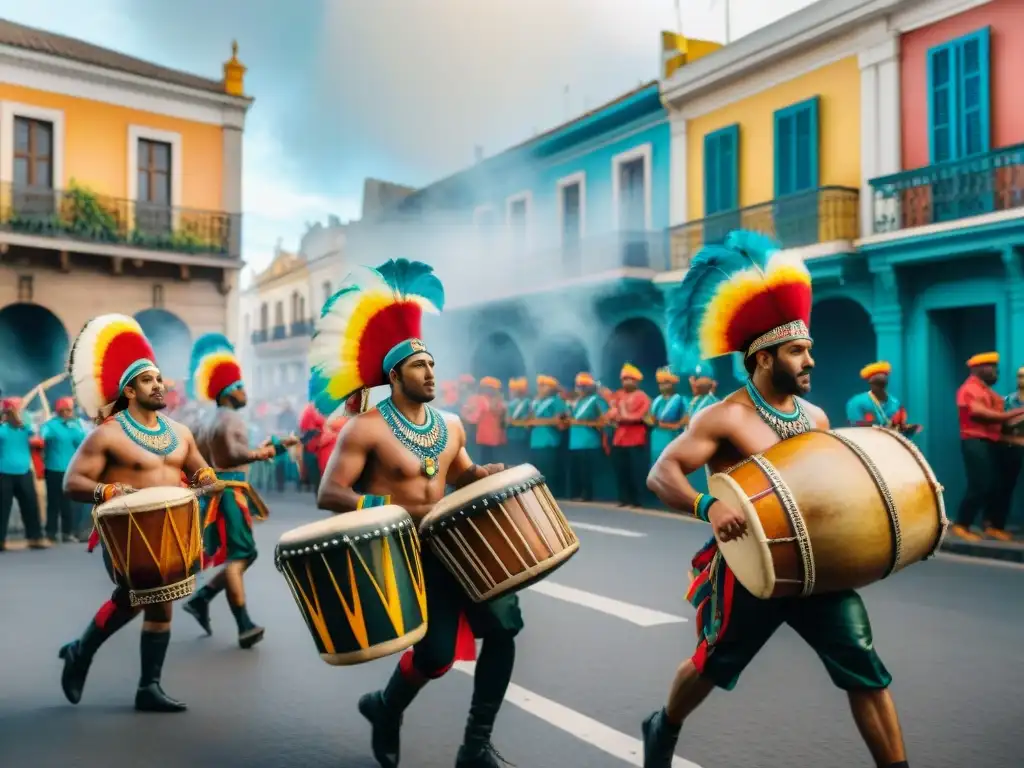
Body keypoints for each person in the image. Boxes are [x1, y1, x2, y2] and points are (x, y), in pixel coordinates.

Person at [642, 231, 910, 768]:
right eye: (797, 351)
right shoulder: (724, 417)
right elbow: (661, 472)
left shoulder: (816, 418)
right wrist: (709, 507)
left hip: (817, 570)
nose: (810, 360)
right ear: (763, 358)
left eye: (809, 350)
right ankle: (663, 726)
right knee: (712, 665)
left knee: (865, 668)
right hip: (751, 570)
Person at [311, 259, 518, 768]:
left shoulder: (452, 424)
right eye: (418, 365)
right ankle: (385, 708)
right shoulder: (365, 428)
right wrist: (385, 509)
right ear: (394, 375)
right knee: (435, 656)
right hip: (405, 551)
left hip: (459, 543)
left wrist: (484, 474)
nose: (430, 373)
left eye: (431, 364)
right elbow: (330, 492)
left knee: (504, 629)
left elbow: (461, 473)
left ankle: (475, 746)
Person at [58, 313, 216, 712]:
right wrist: (108, 490)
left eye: (159, 379)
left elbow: (201, 470)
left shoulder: (180, 433)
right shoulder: (107, 434)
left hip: (174, 532)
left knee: (158, 602)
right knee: (134, 597)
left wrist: (207, 480)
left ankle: (147, 686)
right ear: (129, 390)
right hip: (129, 534)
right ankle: (83, 652)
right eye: (148, 380)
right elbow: (72, 482)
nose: (158, 385)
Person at [181, 333, 298, 647]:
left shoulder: (207, 420)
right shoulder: (231, 418)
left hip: (217, 493)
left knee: (244, 554)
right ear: (228, 391)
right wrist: (266, 452)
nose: (245, 392)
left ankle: (202, 599)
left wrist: (274, 446)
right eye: (240, 386)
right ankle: (244, 625)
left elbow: (219, 454)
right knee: (240, 556)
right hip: (230, 494)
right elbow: (234, 454)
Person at [951, 353, 1024, 541]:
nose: (996, 372)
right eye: (992, 367)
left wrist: (1017, 426)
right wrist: (1019, 411)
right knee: (980, 484)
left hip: (993, 442)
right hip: (975, 441)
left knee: (998, 485)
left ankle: (992, 525)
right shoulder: (969, 389)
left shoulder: (992, 394)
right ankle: (961, 524)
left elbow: (1002, 423)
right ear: (979, 369)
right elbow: (980, 414)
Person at [0, 396, 48, 551]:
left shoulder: (26, 429)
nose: (18, 414)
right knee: (2, 509)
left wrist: (19, 419)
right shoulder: (2, 430)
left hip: (24, 472)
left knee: (30, 506)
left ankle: (35, 537)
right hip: (3, 474)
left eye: (19, 410)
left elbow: (36, 437)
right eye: (14, 411)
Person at [41, 396, 87, 543]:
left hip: (70, 469)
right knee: (53, 502)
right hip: (54, 469)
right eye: (65, 410)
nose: (68, 412)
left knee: (68, 503)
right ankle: (51, 532)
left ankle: (67, 532)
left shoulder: (76, 424)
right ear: (59, 411)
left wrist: (76, 427)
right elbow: (42, 437)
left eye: (70, 409)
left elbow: (83, 441)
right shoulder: (51, 425)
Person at [609, 363, 651, 507]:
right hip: (619, 439)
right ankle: (623, 499)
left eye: (630, 379)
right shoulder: (619, 396)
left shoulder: (642, 397)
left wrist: (621, 417)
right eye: (624, 379)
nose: (627, 382)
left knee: (636, 471)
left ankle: (637, 500)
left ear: (636, 381)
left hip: (636, 438)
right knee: (621, 470)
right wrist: (614, 417)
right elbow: (611, 414)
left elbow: (640, 416)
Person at [846, 362, 921, 435]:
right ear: (870, 383)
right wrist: (879, 427)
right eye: (876, 384)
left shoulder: (894, 402)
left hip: (890, 441)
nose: (879, 388)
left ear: (886, 383)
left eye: (881, 385)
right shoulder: (856, 402)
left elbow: (899, 427)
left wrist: (906, 428)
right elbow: (854, 426)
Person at [568, 372, 608, 502]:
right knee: (577, 469)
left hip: (589, 441)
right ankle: (577, 493)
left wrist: (590, 423)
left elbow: (605, 418)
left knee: (587, 471)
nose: (580, 389)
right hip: (574, 442)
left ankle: (587, 495)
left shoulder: (596, 399)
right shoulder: (577, 401)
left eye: (583, 386)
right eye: (578, 386)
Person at [528, 374, 568, 495]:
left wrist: (550, 421)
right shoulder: (536, 402)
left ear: (551, 388)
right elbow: (529, 420)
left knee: (549, 471)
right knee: (536, 471)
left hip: (549, 441)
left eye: (543, 386)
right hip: (535, 441)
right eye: (539, 385)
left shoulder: (556, 401)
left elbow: (560, 421)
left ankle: (551, 494)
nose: (540, 388)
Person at [648, 367, 685, 465]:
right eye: (661, 383)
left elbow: (685, 421)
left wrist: (669, 426)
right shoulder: (657, 401)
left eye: (666, 383)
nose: (663, 386)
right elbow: (650, 419)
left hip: (672, 438)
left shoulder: (680, 400)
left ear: (674, 383)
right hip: (656, 440)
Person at [504, 377, 531, 467]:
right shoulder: (527, 402)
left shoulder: (525, 402)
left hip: (519, 436)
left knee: (516, 462)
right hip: (517, 436)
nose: (510, 392)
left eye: (512, 389)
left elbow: (508, 421)